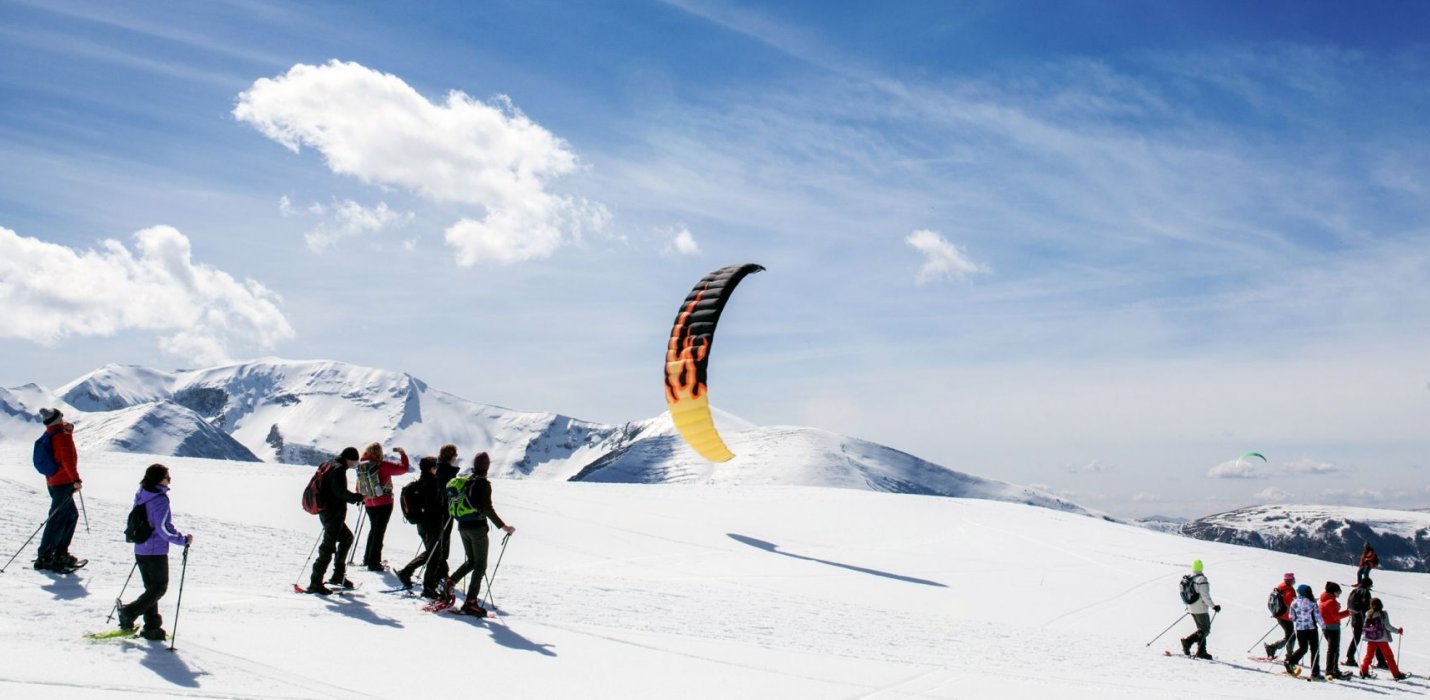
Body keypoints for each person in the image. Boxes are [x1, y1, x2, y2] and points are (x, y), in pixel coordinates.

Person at [117, 464, 192, 640]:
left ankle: (152, 626)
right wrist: (183, 540)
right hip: (154, 550)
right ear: (159, 479)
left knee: (151, 589)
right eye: (168, 477)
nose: (169, 481)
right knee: (159, 588)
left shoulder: (142, 493)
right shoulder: (159, 499)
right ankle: (130, 612)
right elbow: (163, 528)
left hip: (141, 548)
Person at [443, 452, 516, 616]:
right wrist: (504, 527)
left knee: (472, 561)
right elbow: (487, 508)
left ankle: (450, 581)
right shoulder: (483, 484)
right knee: (480, 565)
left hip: (462, 526)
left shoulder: (466, 481)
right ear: (487, 467)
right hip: (477, 529)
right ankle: (470, 602)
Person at [307, 447, 364, 595]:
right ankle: (315, 582)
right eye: (354, 462)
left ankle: (338, 575)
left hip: (327, 511)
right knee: (328, 547)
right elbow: (340, 492)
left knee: (347, 538)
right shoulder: (338, 469)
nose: (354, 465)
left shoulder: (328, 464)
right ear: (349, 459)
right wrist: (358, 497)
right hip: (333, 513)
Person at [34, 408, 84, 572]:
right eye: (61, 416)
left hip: (54, 482)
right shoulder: (62, 437)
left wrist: (68, 431)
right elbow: (67, 460)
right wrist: (75, 480)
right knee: (58, 518)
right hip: (63, 482)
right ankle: (48, 555)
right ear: (57, 419)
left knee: (68, 515)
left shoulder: (52, 433)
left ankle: (57, 553)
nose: (63, 418)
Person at [356, 443, 410, 571]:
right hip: (384, 502)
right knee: (379, 532)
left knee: (374, 529)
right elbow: (404, 469)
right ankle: (374, 563)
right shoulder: (383, 465)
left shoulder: (361, 466)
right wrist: (402, 454)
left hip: (368, 502)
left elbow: (359, 485)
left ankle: (368, 558)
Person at [419, 444, 462, 598]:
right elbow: (446, 494)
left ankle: (440, 575)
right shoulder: (446, 473)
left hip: (435, 514)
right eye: (455, 456)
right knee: (441, 546)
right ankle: (436, 579)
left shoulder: (438, 470)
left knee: (438, 546)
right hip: (444, 513)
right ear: (451, 457)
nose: (456, 459)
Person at [395, 456, 443, 594]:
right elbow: (434, 505)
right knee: (434, 553)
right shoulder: (432, 483)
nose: (437, 469)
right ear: (432, 468)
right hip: (432, 522)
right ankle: (427, 587)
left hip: (421, 522)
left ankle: (407, 572)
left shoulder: (419, 483)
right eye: (435, 467)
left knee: (431, 552)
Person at [1178, 559, 1220, 659]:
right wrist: (1213, 606)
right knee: (1205, 630)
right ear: (1201, 567)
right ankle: (1188, 642)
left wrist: (1188, 606)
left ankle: (1201, 651)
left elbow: (1183, 593)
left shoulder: (1188, 578)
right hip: (1200, 608)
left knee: (1201, 630)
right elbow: (1205, 596)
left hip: (1191, 607)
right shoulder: (1201, 579)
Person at [1359, 598, 1408, 680]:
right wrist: (1397, 631)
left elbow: (1365, 626)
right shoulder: (1383, 614)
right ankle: (1396, 674)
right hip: (1382, 639)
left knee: (1369, 656)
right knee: (1389, 657)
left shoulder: (1368, 613)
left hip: (1371, 639)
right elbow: (1387, 626)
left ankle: (1364, 671)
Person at [1281, 584, 1324, 679]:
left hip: (1300, 629)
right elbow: (1317, 616)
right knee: (1314, 650)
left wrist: (1299, 619)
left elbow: (1291, 617)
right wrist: (1323, 626)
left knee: (1303, 648)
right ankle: (1315, 672)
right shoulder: (1312, 603)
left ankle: (1290, 661)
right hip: (1311, 629)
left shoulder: (1294, 602)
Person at [1344, 577, 1381, 668]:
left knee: (1356, 638)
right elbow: (1367, 607)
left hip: (1354, 618)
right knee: (1375, 638)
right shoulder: (1365, 592)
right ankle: (1381, 661)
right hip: (1363, 619)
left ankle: (1350, 657)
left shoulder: (1354, 591)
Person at [1318, 581, 1352, 680]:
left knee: (1331, 649)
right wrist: (1347, 612)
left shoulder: (1323, 599)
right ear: (1333, 592)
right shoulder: (1331, 601)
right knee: (1334, 650)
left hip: (1326, 627)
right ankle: (1333, 670)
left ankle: (1331, 669)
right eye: (1338, 592)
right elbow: (1335, 616)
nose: (1339, 594)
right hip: (1333, 627)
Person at [1264, 572, 1298, 660]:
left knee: (1290, 636)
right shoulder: (1289, 590)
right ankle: (1287, 655)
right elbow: (1292, 604)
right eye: (1293, 580)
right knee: (1291, 636)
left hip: (1279, 614)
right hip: (1286, 616)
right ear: (1290, 581)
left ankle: (1274, 648)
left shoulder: (1280, 587)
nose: (1294, 581)